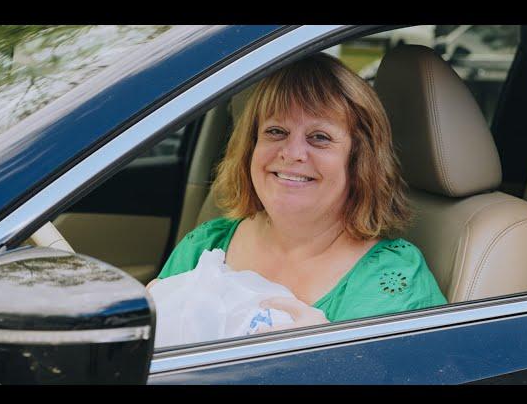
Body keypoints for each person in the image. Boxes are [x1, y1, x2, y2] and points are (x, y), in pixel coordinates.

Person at [147, 52, 447, 334]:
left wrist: (325, 354)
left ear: (359, 161)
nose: (292, 154)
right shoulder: (205, 245)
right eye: (276, 131)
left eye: (319, 137)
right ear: (251, 148)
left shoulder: (391, 279)